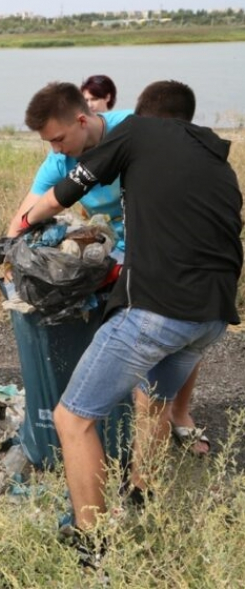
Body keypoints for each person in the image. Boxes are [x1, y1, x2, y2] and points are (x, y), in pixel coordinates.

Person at [13, 82, 242, 545]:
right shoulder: (218, 163)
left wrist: (21, 228)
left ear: (142, 115)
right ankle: (141, 497)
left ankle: (92, 541)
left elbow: (63, 193)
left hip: (158, 310)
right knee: (152, 401)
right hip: (213, 317)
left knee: (72, 419)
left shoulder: (135, 132)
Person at [133, 80, 209, 455]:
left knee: (163, 368)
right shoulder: (132, 139)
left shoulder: (190, 156)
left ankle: (179, 415)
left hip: (181, 281)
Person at [7, 83, 131, 251]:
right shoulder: (58, 161)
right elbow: (21, 221)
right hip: (110, 248)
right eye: (49, 141)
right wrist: (9, 261)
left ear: (81, 121)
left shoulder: (132, 126)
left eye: (59, 139)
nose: (56, 149)